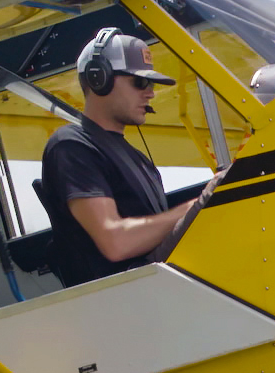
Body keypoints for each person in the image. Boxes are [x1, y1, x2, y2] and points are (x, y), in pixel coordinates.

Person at [41, 28, 196, 286]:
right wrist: (193, 209)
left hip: (154, 291)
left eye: (151, 84)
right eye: (139, 82)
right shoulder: (72, 146)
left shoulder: (140, 161)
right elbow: (115, 243)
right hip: (117, 302)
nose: (150, 93)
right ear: (99, 78)